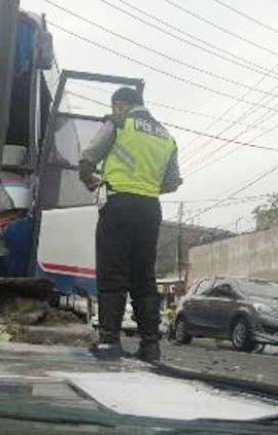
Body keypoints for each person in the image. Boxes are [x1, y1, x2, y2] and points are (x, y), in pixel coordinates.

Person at [80, 87, 182, 362]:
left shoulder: (119, 122)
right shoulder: (167, 136)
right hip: (150, 208)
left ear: (121, 104)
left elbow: (87, 159)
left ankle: (110, 343)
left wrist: (90, 181)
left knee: (113, 273)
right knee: (144, 277)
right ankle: (150, 346)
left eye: (115, 107)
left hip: (119, 205)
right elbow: (172, 182)